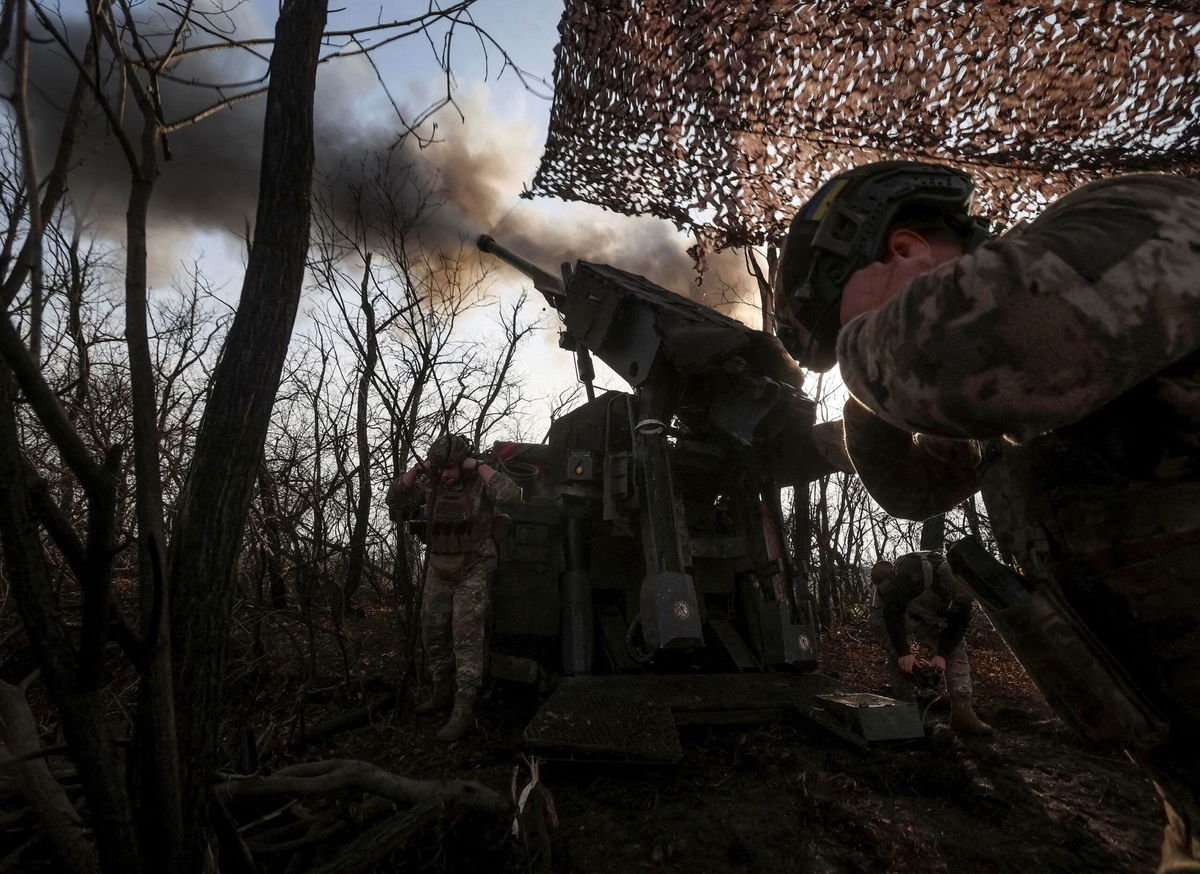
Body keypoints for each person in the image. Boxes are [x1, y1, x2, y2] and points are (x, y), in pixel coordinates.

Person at [774, 160, 1200, 871]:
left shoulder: (1133, 213)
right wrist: (868, 404)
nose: (858, 353)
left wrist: (871, 353)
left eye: (853, 330)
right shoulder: (996, 388)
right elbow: (912, 489)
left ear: (905, 251)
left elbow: (964, 347)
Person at [386, 434, 521, 743]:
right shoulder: (432, 485)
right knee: (432, 632)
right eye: (441, 468)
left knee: (466, 638)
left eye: (452, 468)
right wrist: (419, 470)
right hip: (439, 568)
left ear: (463, 465)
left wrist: (480, 466)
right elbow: (395, 501)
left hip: (473, 567)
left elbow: (511, 495)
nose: (446, 474)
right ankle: (441, 692)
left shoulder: (479, 484)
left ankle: (464, 706)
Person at [869, 552, 992, 736]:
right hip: (889, 613)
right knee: (899, 658)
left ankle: (963, 714)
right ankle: (907, 713)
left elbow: (958, 626)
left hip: (927, 617)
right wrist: (904, 652)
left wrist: (941, 654)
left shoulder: (965, 587)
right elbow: (892, 612)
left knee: (956, 649)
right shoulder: (913, 571)